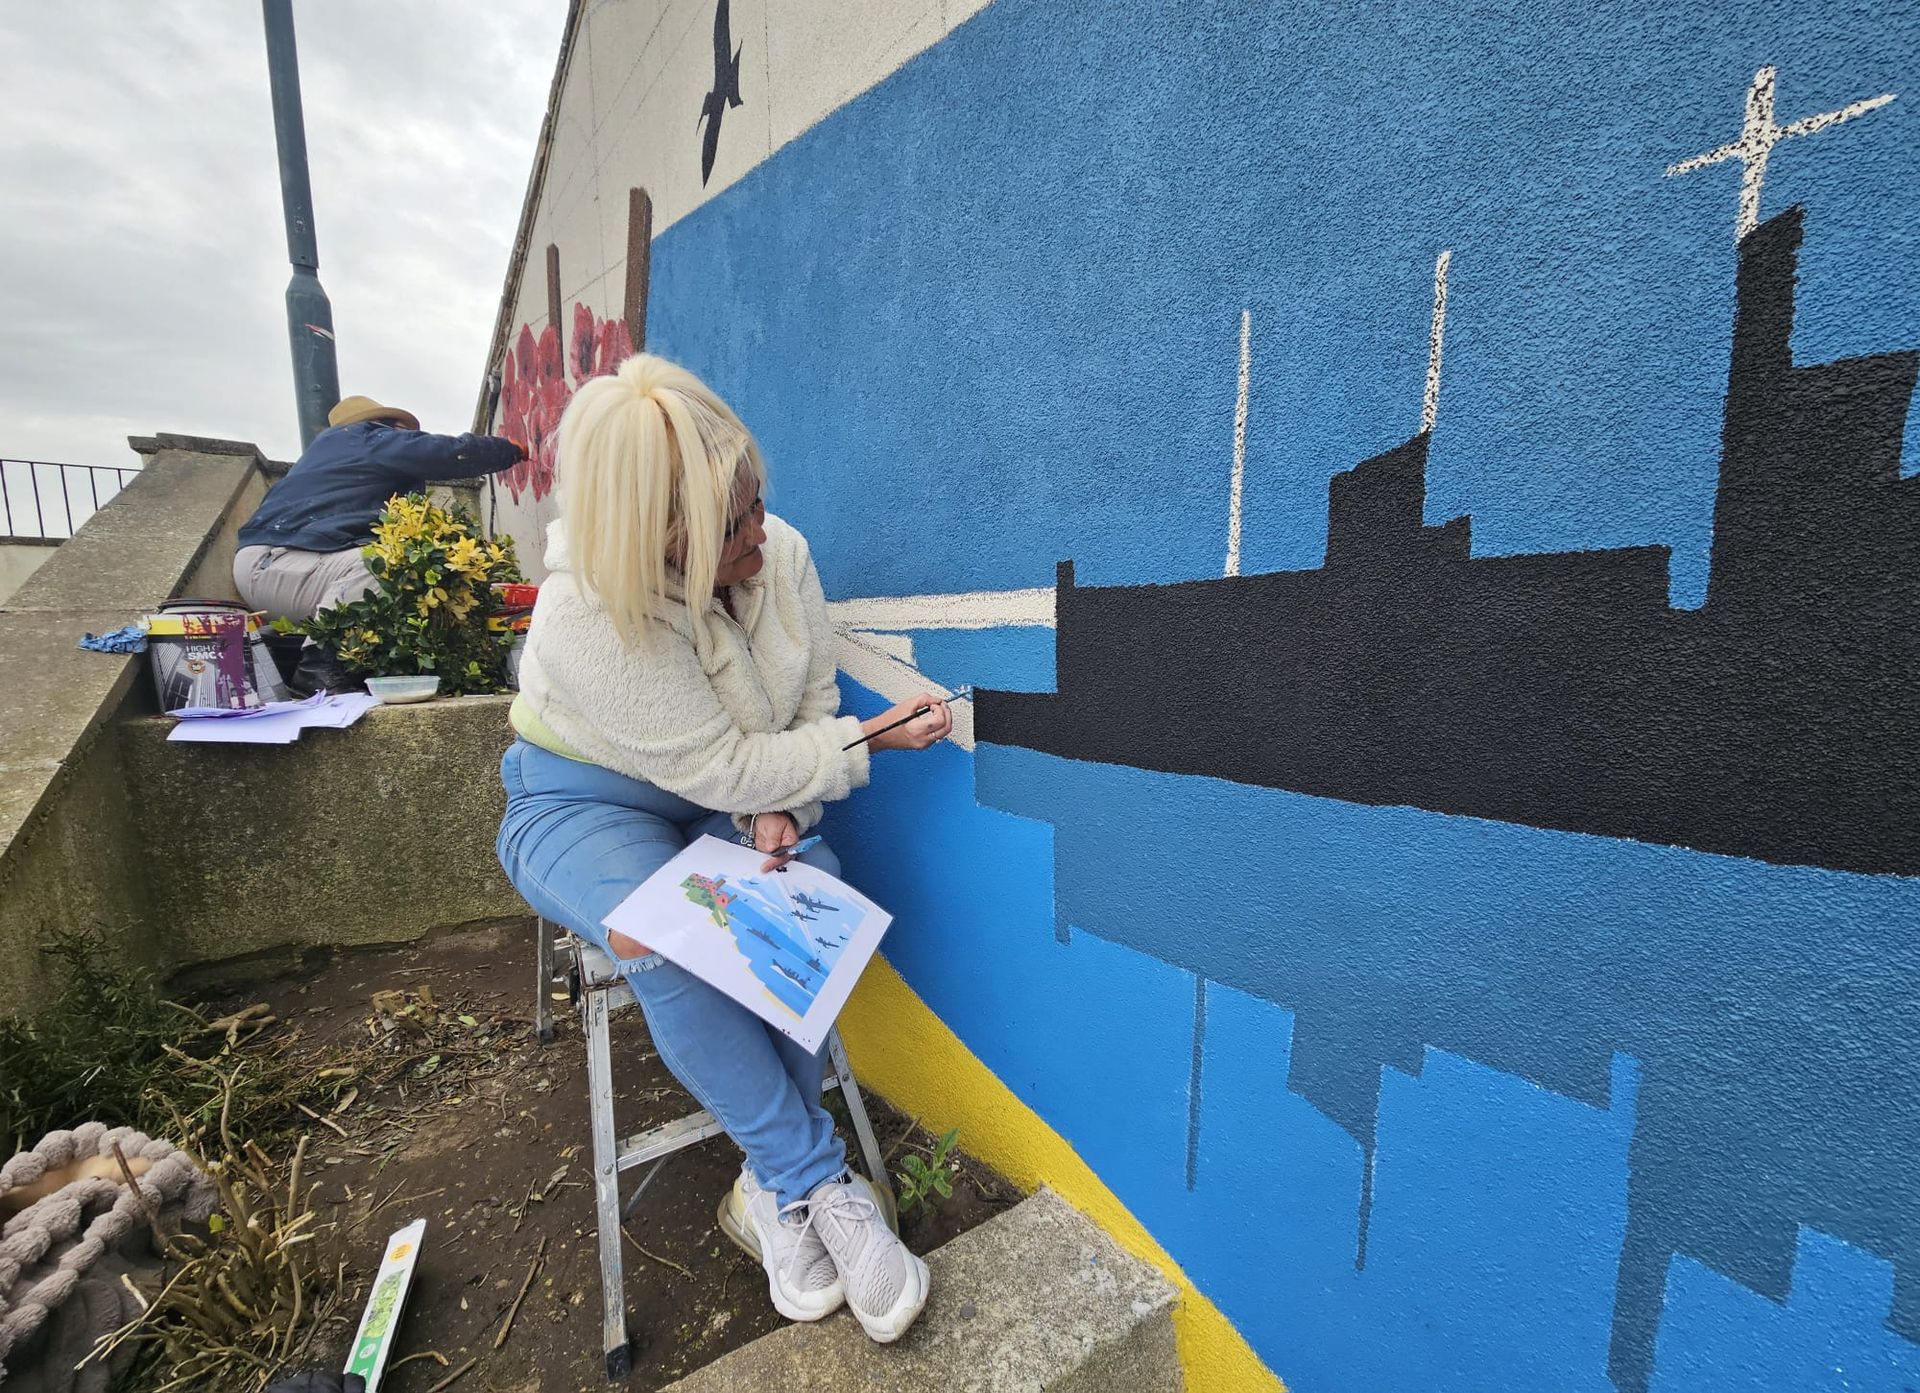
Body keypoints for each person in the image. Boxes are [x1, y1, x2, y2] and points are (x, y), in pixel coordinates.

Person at [495, 354, 951, 1343]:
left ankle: (770, 1187)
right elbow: (735, 763)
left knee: (804, 895)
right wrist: (792, 777)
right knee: (668, 934)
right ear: (651, 543)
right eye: (725, 529)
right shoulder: (587, 617)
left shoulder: (777, 552)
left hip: (718, 789)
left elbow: (808, 705)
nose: (760, 536)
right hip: (580, 799)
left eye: (753, 503)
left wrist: (772, 811)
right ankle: (813, 1180)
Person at [232, 395, 525, 692]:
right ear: (381, 425)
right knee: (385, 564)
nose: (407, 435)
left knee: (398, 572)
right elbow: (445, 453)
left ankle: (337, 668)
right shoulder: (362, 437)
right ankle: (318, 670)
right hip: (275, 562)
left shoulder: (337, 463)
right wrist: (511, 449)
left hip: (286, 566)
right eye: (401, 430)